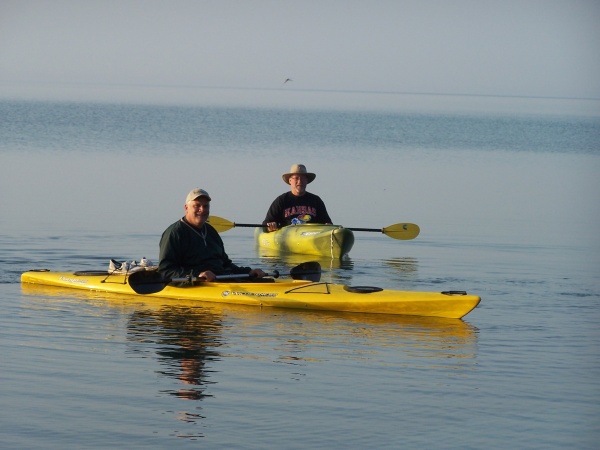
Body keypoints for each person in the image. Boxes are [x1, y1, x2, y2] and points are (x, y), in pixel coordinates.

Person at [159, 188, 266, 282]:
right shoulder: (174, 233)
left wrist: (249, 271)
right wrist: (197, 275)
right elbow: (166, 270)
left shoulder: (211, 232)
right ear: (186, 208)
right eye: (197, 206)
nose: (202, 210)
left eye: (205, 206)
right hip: (197, 283)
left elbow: (225, 264)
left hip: (221, 279)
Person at [262, 164, 332, 231]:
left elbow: (328, 224)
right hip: (288, 236)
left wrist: (328, 227)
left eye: (303, 178)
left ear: (307, 181)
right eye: (296, 178)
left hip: (311, 236)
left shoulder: (316, 200)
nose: (299, 181)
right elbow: (265, 224)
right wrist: (270, 226)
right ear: (290, 181)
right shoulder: (281, 200)